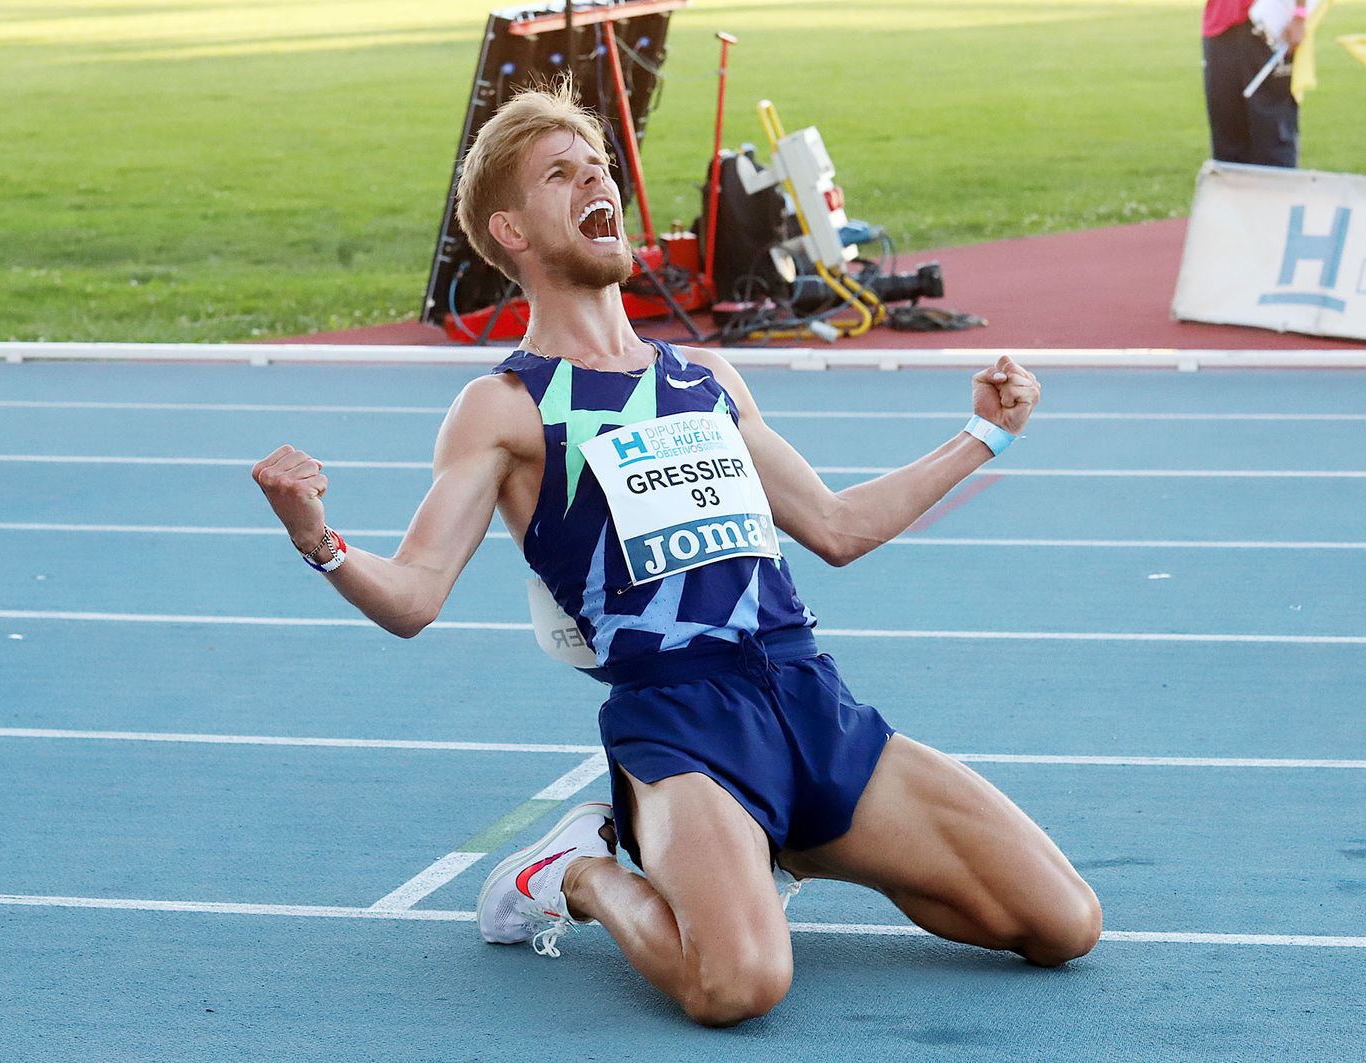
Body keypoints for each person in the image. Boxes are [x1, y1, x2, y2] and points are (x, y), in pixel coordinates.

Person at [251, 83, 1101, 1027]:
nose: (595, 183)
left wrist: (983, 436)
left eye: (600, 168)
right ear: (512, 231)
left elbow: (837, 526)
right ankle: (576, 870)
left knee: (1064, 924)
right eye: (560, 174)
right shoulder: (505, 404)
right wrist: (316, 538)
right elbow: (414, 596)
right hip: (683, 726)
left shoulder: (704, 376)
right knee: (738, 985)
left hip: (808, 698)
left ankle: (787, 840)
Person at [1202, 0, 1310, 166]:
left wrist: (1299, 15)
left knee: (1272, 138)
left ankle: (1278, 192)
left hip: (1268, 24)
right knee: (1227, 141)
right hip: (1219, 26)